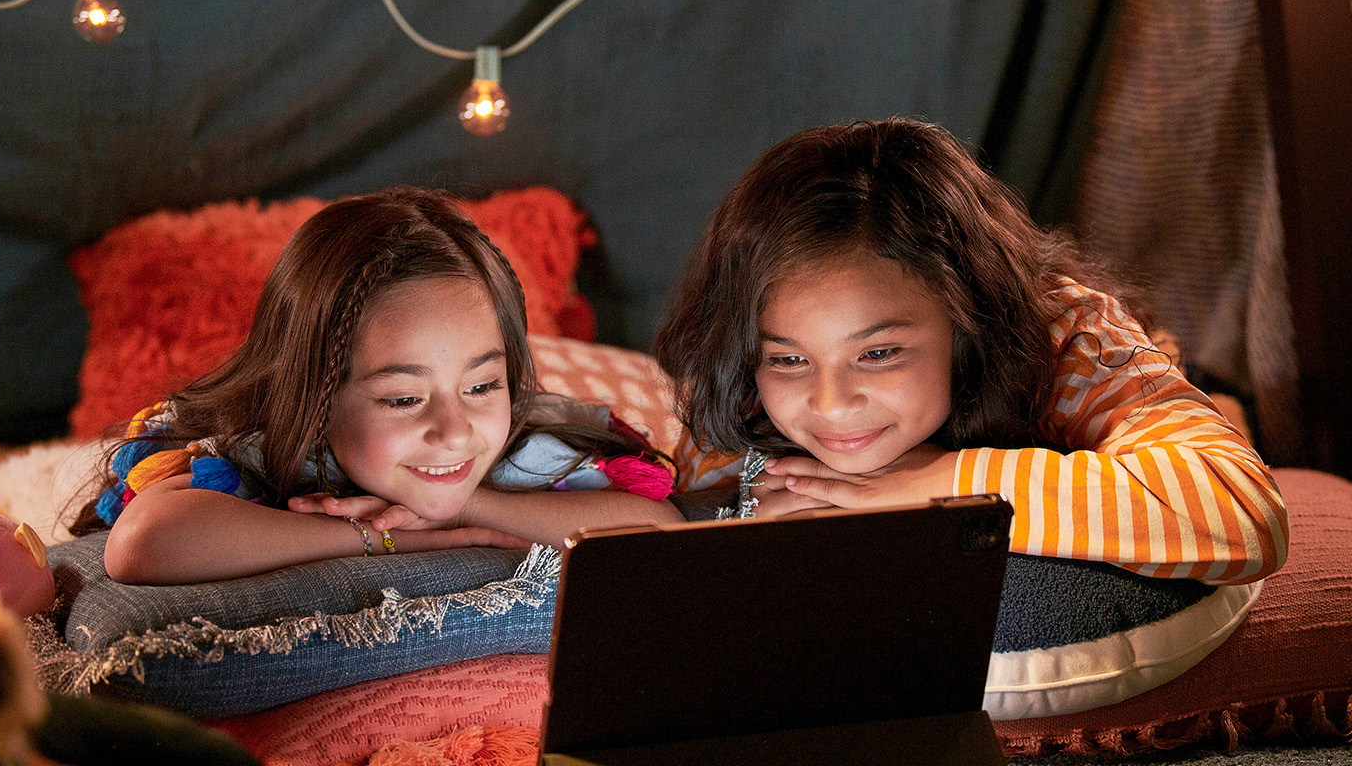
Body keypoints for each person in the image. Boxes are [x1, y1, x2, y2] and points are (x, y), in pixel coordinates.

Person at [652, 117, 1287, 585]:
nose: (831, 405)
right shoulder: (739, 395)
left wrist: (932, 482)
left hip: (1120, 367)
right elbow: (687, 527)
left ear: (967, 323)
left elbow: (1242, 510)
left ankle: (1220, 395)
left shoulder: (1066, 336)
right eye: (788, 359)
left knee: (1200, 396)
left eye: (879, 353)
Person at [71, 186, 682, 584]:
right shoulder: (260, 449)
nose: (453, 432)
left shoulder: (520, 443)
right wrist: (371, 535)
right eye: (402, 399)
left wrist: (458, 508)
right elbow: (141, 544)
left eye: (481, 385)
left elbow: (660, 533)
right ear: (316, 396)